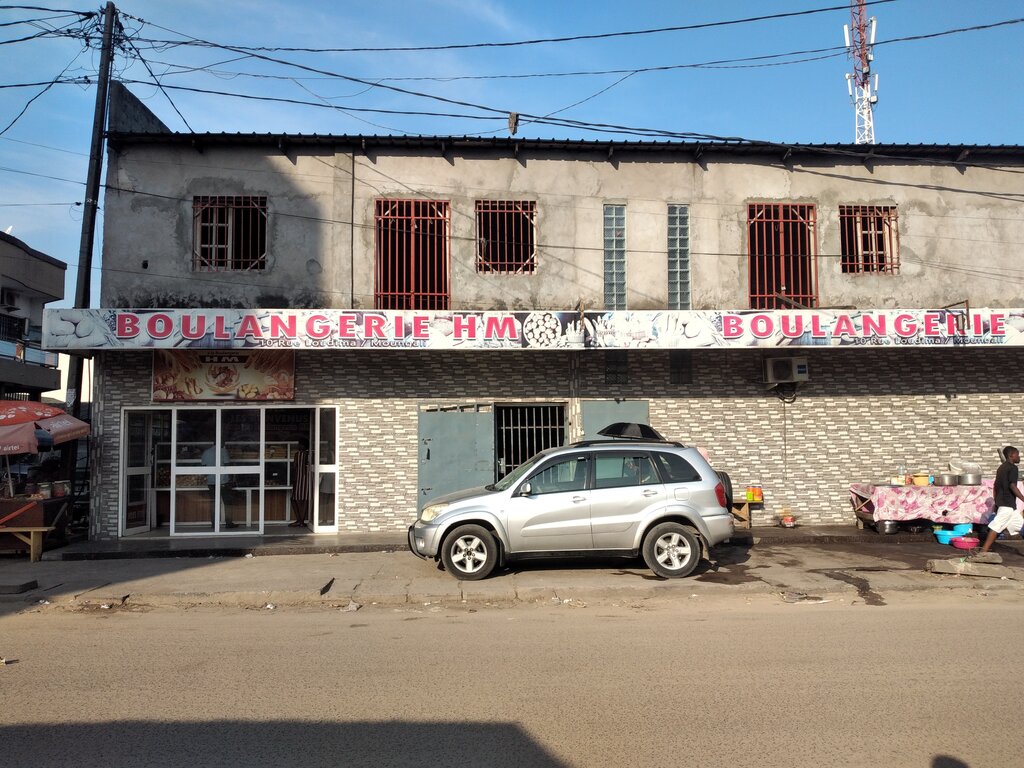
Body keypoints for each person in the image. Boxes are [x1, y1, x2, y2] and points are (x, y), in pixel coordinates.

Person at [980, 445, 1024, 553]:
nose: (1019, 457)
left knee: (1021, 525)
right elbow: (1012, 486)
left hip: (1006, 505)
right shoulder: (1013, 468)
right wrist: (1023, 498)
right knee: (996, 526)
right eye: (1017, 454)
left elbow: (995, 487)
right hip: (1007, 504)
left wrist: (996, 503)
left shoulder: (1001, 468)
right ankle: (983, 552)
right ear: (1011, 455)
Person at [202, 440, 237, 529]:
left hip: (211, 481)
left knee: (213, 503)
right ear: (222, 444)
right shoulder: (223, 451)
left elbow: (204, 467)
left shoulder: (206, 452)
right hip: (223, 481)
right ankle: (228, 523)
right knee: (227, 502)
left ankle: (214, 524)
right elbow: (227, 465)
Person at [289, 437, 311, 527]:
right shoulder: (308, 454)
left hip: (299, 479)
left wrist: (293, 478)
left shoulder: (298, 454)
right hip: (307, 480)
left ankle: (300, 520)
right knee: (304, 499)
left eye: (299, 444)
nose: (298, 445)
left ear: (303, 445)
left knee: (296, 499)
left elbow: (294, 467)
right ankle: (301, 520)